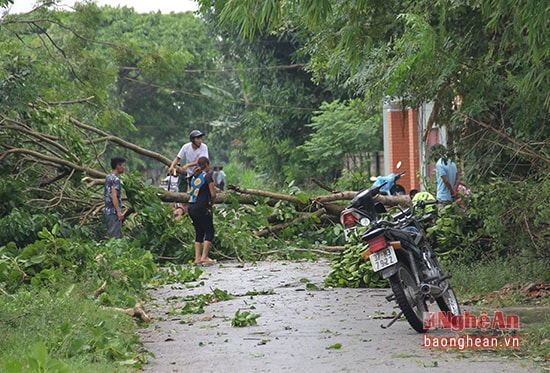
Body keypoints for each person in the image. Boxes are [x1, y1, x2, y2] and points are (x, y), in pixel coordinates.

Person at [187, 156, 217, 265]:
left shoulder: (193, 177)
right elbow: (213, 194)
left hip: (191, 207)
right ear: (207, 165)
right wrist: (211, 204)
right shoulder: (208, 176)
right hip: (201, 207)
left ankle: (197, 258)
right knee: (210, 231)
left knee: (199, 231)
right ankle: (204, 257)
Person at [104, 156, 126, 239]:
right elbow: (114, 195)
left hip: (107, 211)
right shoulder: (116, 179)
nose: (124, 168)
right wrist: (119, 211)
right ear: (118, 166)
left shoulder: (108, 177)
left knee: (111, 234)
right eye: (123, 166)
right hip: (113, 212)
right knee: (115, 237)